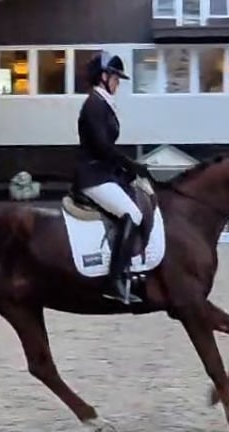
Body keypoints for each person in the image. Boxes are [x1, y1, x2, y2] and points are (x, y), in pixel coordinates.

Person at [74, 50, 151, 304]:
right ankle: (114, 280)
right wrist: (131, 165)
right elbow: (101, 146)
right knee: (133, 214)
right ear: (104, 77)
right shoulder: (94, 105)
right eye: (116, 77)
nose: (118, 83)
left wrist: (125, 171)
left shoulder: (103, 103)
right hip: (92, 177)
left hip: (103, 172)